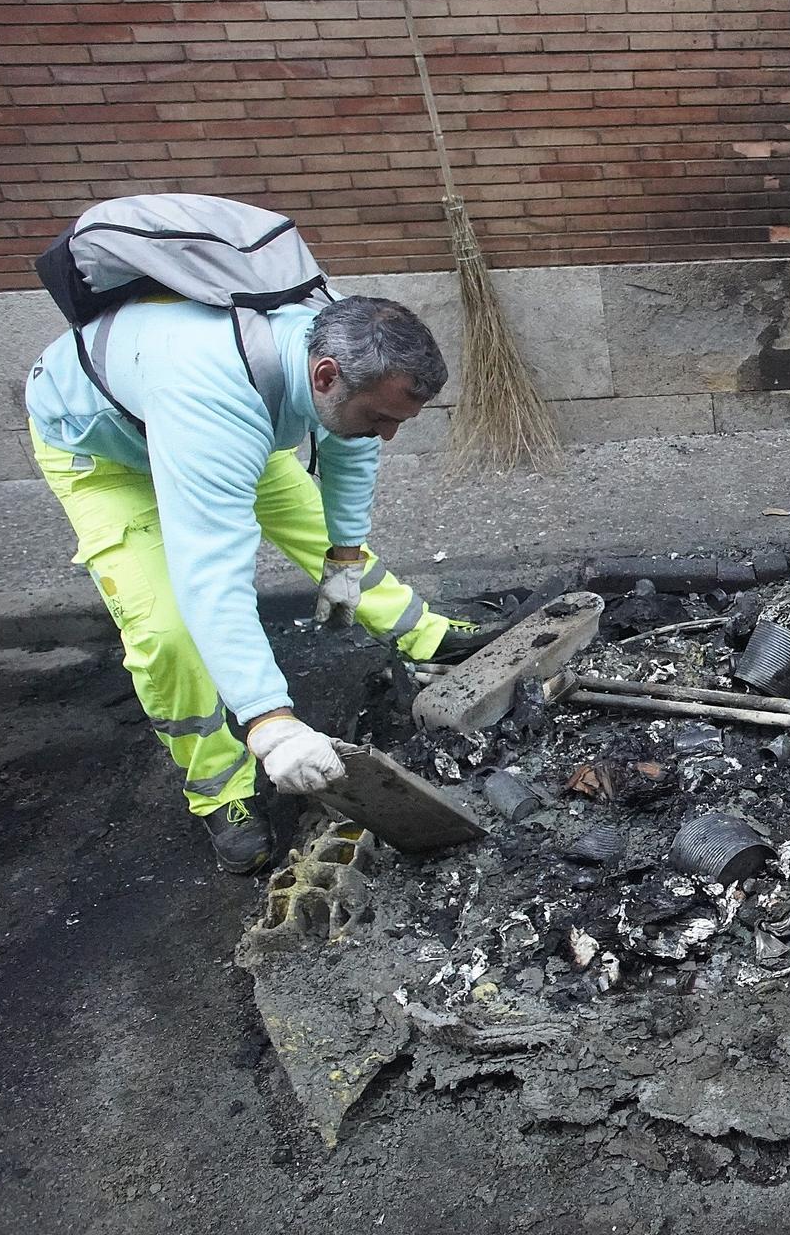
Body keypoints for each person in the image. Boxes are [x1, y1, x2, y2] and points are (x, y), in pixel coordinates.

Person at [25, 293, 488, 874]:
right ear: (324, 377)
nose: (389, 435)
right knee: (167, 631)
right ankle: (221, 792)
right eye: (381, 418)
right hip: (106, 455)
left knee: (317, 526)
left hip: (231, 420)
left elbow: (352, 447)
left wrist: (343, 555)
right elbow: (211, 575)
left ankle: (426, 637)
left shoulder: (332, 339)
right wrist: (271, 722)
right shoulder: (212, 403)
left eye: (398, 420)